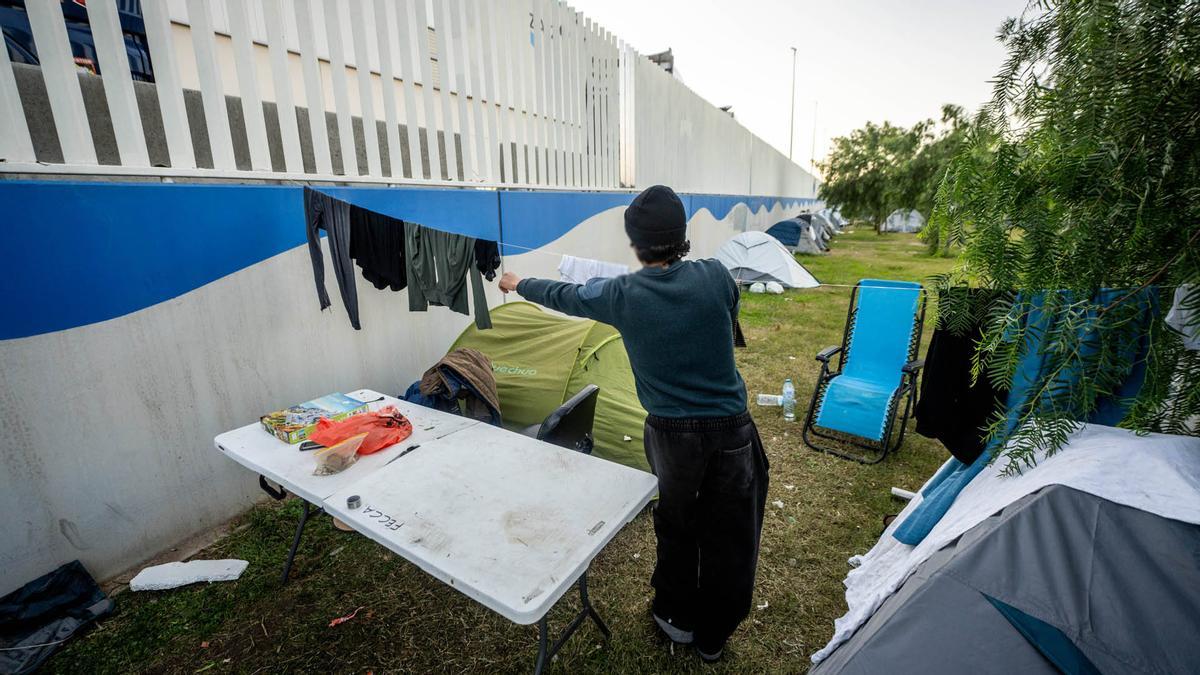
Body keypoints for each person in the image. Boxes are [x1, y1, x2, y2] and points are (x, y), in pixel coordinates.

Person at [498, 184, 769, 662]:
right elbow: (728, 321)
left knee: (677, 525)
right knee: (732, 534)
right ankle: (713, 639)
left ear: (635, 242)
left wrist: (518, 284)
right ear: (682, 235)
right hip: (731, 430)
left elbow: (567, 296)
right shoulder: (717, 276)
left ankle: (676, 621)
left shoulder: (622, 294)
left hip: (671, 437)